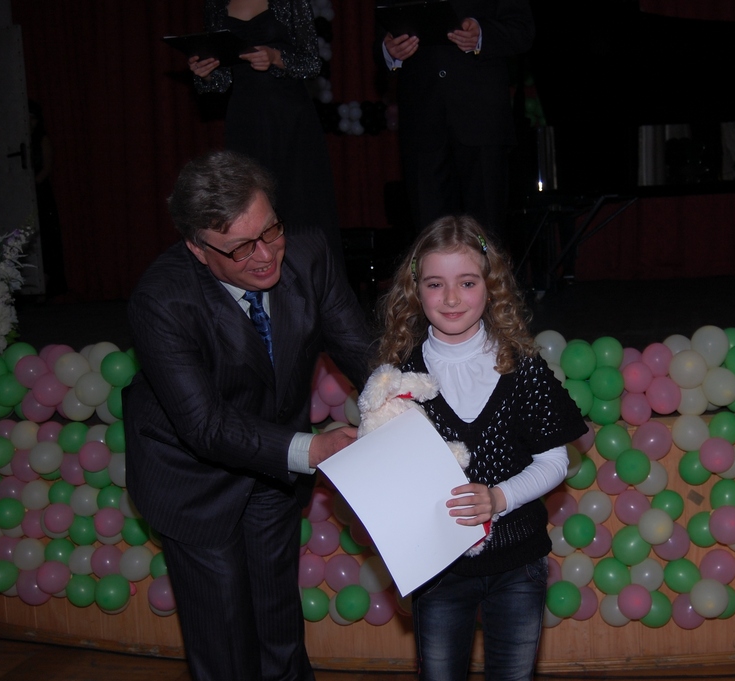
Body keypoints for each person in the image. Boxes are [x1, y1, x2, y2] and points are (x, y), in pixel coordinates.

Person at [124, 150, 371, 681]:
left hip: (273, 472)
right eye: (240, 248)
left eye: (270, 231)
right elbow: (205, 426)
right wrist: (312, 448)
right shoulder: (161, 300)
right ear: (197, 248)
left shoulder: (309, 254)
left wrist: (408, 401)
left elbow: (361, 352)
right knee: (226, 643)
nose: (264, 255)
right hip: (194, 480)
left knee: (278, 627)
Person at [373, 214, 586, 680]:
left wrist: (498, 498)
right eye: (435, 284)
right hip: (439, 569)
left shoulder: (523, 367)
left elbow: (556, 461)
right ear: (415, 290)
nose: (451, 298)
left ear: (491, 286)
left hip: (518, 564)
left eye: (467, 283)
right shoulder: (398, 376)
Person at [190, 0, 342, 256]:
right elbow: (220, 81)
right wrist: (204, 73)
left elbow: (312, 63)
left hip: (290, 118)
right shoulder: (215, 5)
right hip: (244, 118)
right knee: (247, 204)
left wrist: (275, 57)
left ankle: (311, 276)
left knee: (301, 204)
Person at [382, 1, 535, 240]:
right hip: (422, 116)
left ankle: (486, 267)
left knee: (487, 234)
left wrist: (481, 34)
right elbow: (382, 29)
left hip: (481, 116)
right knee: (430, 236)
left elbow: (523, 29)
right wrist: (388, 50)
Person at [28, 100, 68, 299]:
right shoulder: (17, 138)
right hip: (24, 190)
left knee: (47, 235)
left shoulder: (42, 139)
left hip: (40, 191)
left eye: (33, 118)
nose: (30, 122)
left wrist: (33, 183)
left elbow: (47, 167)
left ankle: (46, 282)